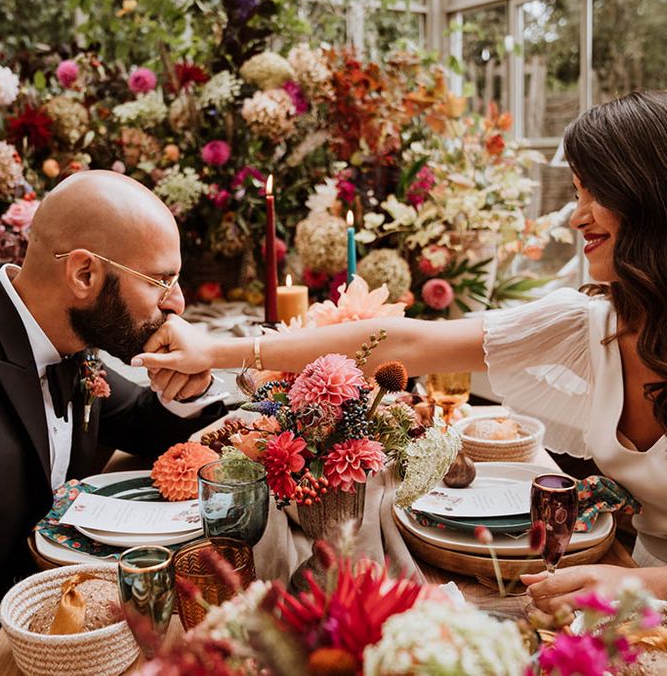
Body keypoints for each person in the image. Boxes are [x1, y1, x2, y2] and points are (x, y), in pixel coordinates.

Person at [133, 90, 667, 613]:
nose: (577, 217)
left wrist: (636, 584)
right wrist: (213, 350)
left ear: (646, 193)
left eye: (595, 193)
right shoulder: (591, 322)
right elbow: (402, 341)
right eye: (576, 194)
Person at [0, 171, 226, 674]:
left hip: (84, 625)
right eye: (161, 280)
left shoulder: (66, 339)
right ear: (84, 275)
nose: (177, 303)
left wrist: (193, 383)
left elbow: (140, 419)